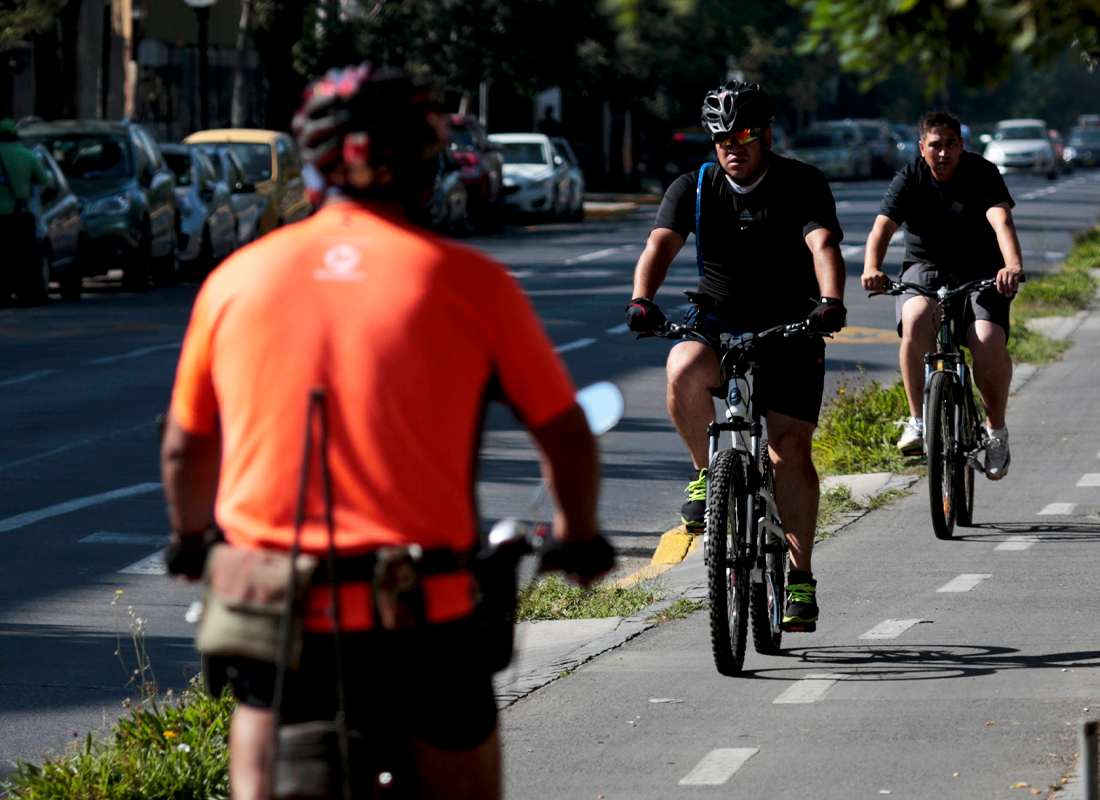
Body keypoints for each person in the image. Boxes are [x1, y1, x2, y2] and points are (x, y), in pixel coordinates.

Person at [161, 64, 611, 800]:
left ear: (312, 167)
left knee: (259, 768)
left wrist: (188, 539)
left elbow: (186, 446)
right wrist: (580, 536)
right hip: (427, 622)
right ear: (428, 165)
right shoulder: (470, 284)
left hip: (281, 623)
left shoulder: (236, 280)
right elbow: (563, 433)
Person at [624, 81, 847, 632]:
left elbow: (823, 245)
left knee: (790, 452)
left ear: (767, 135)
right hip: (719, 322)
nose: (733, 147)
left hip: (790, 325)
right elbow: (660, 245)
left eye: (745, 135)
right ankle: (708, 477)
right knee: (681, 366)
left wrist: (831, 302)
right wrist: (642, 300)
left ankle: (798, 578)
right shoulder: (694, 187)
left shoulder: (802, 182)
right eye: (722, 137)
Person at [862, 110, 1021, 479]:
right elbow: (881, 230)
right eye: (936, 145)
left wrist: (1011, 264)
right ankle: (918, 420)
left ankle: (996, 431)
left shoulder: (982, 173)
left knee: (986, 340)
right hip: (926, 266)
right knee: (917, 318)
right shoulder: (909, 178)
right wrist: (872, 268)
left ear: (962, 145)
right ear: (922, 148)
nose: (944, 152)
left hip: (983, 269)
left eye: (951, 144)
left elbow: (1002, 221)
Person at [0, 119, 48, 301]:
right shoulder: (27, 156)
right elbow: (44, 180)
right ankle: (24, 291)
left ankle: (3, 291)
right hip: (20, 215)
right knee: (23, 256)